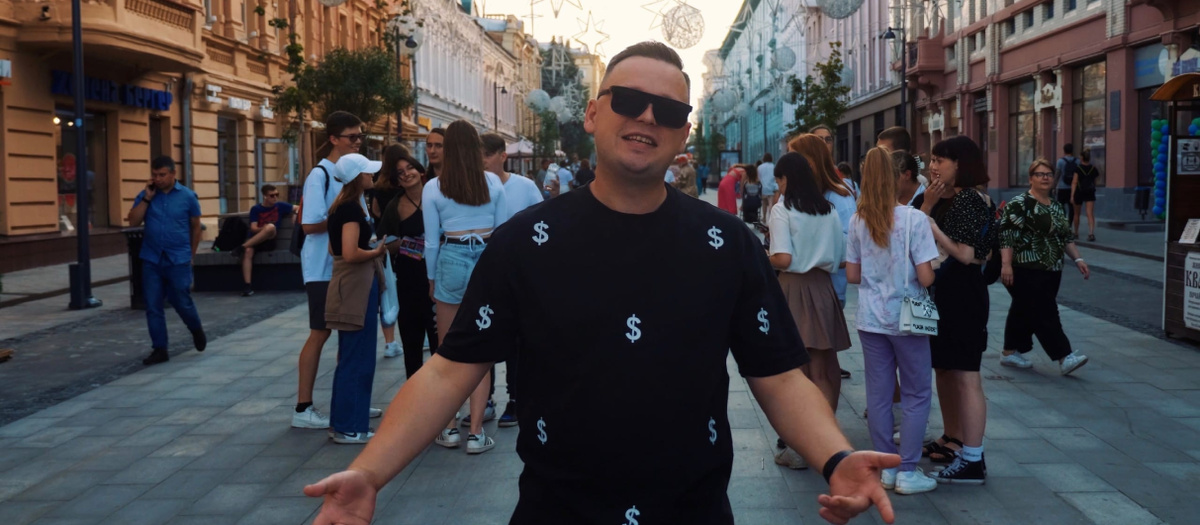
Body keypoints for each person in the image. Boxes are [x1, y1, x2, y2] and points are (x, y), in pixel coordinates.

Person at [305, 41, 899, 525]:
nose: (648, 118)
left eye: (669, 111)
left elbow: (779, 375)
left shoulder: (727, 244)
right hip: (556, 513)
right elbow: (448, 371)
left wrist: (835, 457)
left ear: (683, 135)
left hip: (692, 513)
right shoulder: (524, 242)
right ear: (593, 114)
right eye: (630, 101)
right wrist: (369, 472)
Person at [846, 147, 939, 495]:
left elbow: (852, 275)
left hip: (871, 317)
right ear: (894, 178)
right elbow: (926, 277)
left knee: (879, 395)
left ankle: (886, 467)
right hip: (907, 318)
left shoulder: (857, 221)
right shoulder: (914, 219)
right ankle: (908, 470)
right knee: (916, 392)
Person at [422, 119, 508, 455]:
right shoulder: (492, 183)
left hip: (452, 256)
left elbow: (431, 241)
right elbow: (503, 234)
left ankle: (448, 428)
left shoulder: (434, 187)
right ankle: (475, 433)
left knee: (447, 350)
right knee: (481, 348)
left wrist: (432, 278)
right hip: (486, 256)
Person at [911, 135, 991, 484]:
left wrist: (932, 226)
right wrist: (927, 208)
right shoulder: (935, 197)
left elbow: (965, 254)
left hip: (963, 296)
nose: (933, 166)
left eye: (940, 160)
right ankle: (952, 437)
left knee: (966, 374)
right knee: (944, 369)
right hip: (940, 294)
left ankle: (973, 457)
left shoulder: (971, 199)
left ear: (960, 164)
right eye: (931, 160)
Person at [766, 152, 852, 470]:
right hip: (823, 288)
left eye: (779, 180)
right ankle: (825, 442)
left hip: (794, 288)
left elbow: (783, 259)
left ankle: (801, 447)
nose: (778, 186)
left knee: (796, 373)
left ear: (787, 179)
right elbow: (841, 258)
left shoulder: (782, 210)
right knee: (823, 369)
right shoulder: (828, 210)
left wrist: (762, 256)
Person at [294, 111, 369, 430]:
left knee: (348, 334)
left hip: (345, 268)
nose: (358, 141)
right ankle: (302, 407)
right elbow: (309, 224)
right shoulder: (321, 174)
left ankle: (347, 400)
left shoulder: (350, 172)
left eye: (361, 136)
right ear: (334, 139)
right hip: (322, 270)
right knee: (320, 332)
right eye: (352, 137)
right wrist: (345, 218)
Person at [998, 159, 1092, 375]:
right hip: (1025, 267)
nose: (1045, 178)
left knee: (1024, 309)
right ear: (1031, 178)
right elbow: (1007, 235)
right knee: (1045, 311)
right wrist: (1006, 265)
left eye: (1049, 174)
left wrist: (1078, 260)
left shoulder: (1056, 206)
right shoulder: (1020, 203)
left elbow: (1065, 237)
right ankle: (1064, 356)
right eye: (1040, 174)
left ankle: (1009, 352)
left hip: (1052, 269)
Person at [325, 153, 390, 444]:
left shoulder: (341, 207)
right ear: (356, 177)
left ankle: (344, 422)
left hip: (349, 285)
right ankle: (349, 426)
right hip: (356, 286)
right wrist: (376, 251)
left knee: (351, 355)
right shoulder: (351, 209)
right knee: (358, 357)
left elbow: (334, 250)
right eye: (367, 172)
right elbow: (350, 253)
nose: (371, 176)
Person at [481, 131, 544, 428]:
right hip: (484, 270)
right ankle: (484, 400)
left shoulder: (525, 186)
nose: (481, 161)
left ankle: (515, 399)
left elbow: (542, 222)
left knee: (517, 339)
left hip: (520, 273)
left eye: (486, 155)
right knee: (485, 334)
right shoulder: (474, 188)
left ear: (502, 156)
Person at [127, 156, 206, 366]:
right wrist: (146, 199)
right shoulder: (146, 195)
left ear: (173, 174)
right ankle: (160, 348)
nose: (158, 179)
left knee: (181, 301)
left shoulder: (188, 196)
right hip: (152, 258)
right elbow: (133, 221)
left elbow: (196, 227)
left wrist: (191, 255)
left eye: (162, 175)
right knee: (153, 305)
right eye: (154, 175)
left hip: (178, 258)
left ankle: (195, 328)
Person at [791, 134, 858, 383]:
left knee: (819, 360)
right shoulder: (802, 193)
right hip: (803, 286)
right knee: (809, 357)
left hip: (827, 287)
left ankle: (821, 404)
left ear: (810, 161)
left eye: (794, 156)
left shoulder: (839, 196)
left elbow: (850, 245)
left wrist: (807, 250)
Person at [377, 155, 439, 368]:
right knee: (412, 344)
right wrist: (401, 244)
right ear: (397, 180)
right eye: (400, 172)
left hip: (438, 278)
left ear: (421, 171)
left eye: (410, 168)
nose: (406, 174)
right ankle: (414, 386)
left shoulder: (438, 196)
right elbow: (383, 242)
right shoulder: (395, 206)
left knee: (439, 343)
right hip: (408, 281)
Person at [368, 145, 411, 357]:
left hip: (384, 242)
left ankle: (390, 341)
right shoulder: (405, 185)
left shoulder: (378, 184)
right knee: (406, 289)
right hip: (406, 243)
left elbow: (375, 211)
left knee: (387, 291)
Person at [237, 184, 294, 296]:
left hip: (270, 240)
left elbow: (298, 207)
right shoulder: (256, 209)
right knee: (248, 251)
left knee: (271, 227)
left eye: (277, 194)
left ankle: (241, 247)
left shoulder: (280, 206)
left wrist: (295, 213)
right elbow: (253, 228)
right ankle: (247, 286)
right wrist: (264, 229)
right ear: (265, 196)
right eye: (272, 195)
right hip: (256, 239)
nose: (275, 197)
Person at [1071, 148, 1100, 241]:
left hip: (1079, 192)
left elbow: (1074, 182)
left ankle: (1076, 233)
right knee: (1090, 213)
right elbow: (1095, 181)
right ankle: (1091, 233)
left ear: (1082, 158)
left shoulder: (1078, 168)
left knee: (1076, 214)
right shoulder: (1093, 168)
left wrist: (1072, 195)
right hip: (1090, 192)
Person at [1054, 143, 1077, 228]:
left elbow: (1057, 174)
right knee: (1071, 208)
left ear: (1064, 151)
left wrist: (1054, 186)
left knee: (1061, 207)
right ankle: (1069, 225)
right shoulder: (1077, 161)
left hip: (1062, 187)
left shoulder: (1060, 161)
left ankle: (1063, 224)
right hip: (1073, 188)